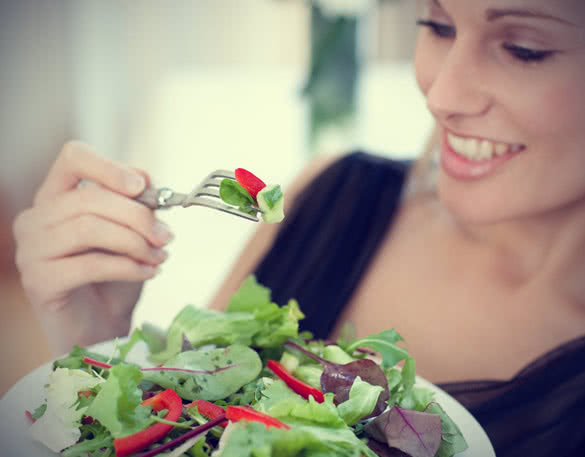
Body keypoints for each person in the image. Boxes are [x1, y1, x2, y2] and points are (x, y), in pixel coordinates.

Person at [12, 1, 585, 456]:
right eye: (435, 24)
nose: (441, 95)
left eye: (523, 49)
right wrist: (96, 346)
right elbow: (182, 429)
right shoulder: (332, 197)